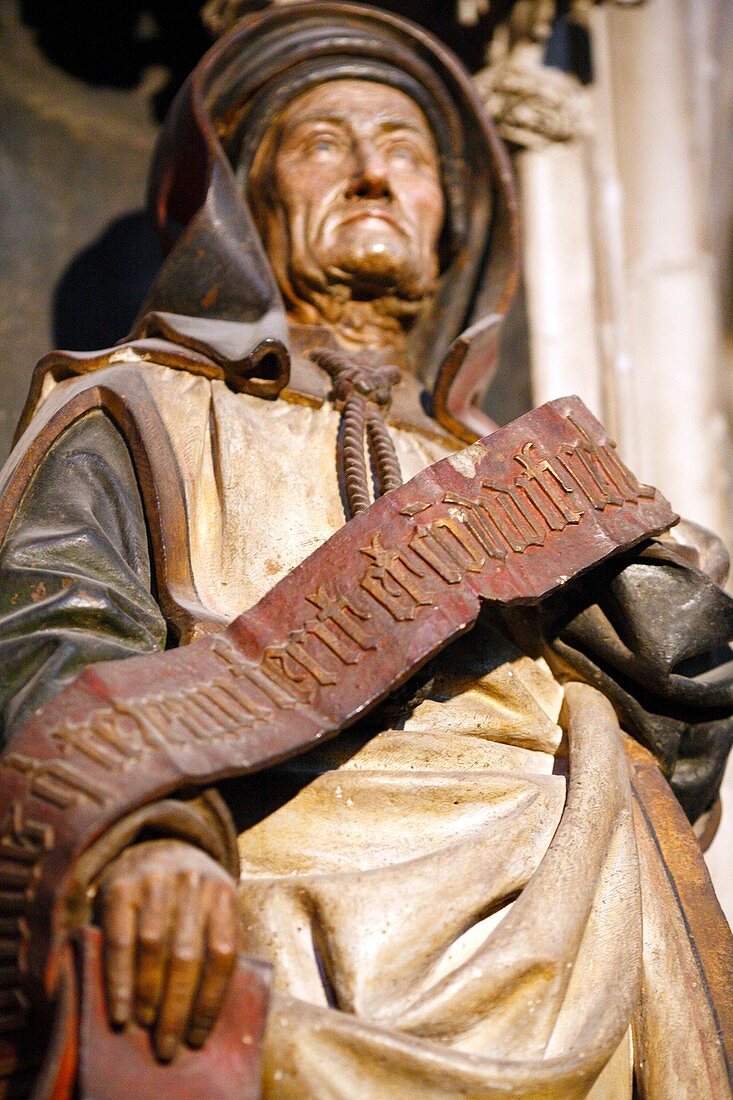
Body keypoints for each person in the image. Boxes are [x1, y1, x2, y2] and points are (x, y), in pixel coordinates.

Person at [0, 5, 731, 1097]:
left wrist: (676, 606)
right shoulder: (138, 406)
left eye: (404, 154)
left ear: (450, 220)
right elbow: (52, 635)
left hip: (576, 903)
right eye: (325, 144)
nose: (374, 179)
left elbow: (682, 732)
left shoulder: (530, 476)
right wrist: (140, 838)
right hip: (258, 897)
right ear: (244, 207)